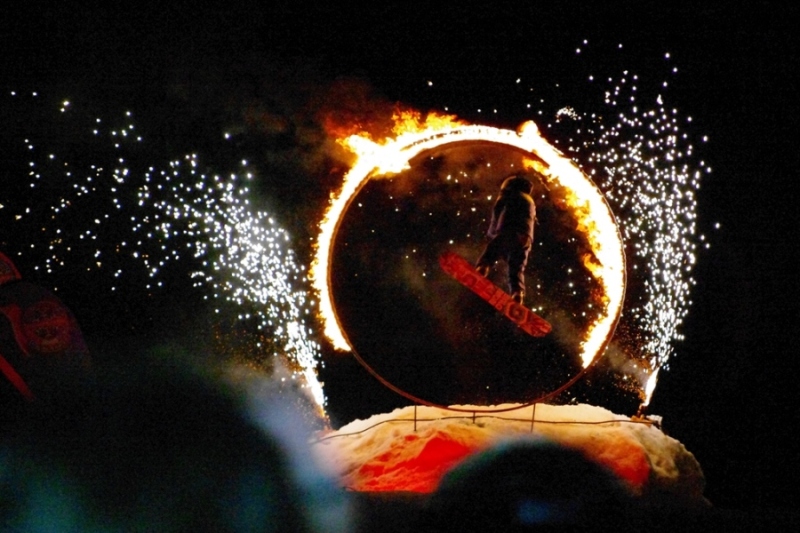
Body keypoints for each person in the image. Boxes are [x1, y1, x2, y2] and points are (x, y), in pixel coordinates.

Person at [475, 173, 536, 303]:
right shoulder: (530, 201)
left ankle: (482, 268)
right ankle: (517, 293)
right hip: (526, 238)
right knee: (517, 267)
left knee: (492, 251)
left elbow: (497, 213)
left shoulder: (509, 195)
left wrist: (492, 233)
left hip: (509, 230)